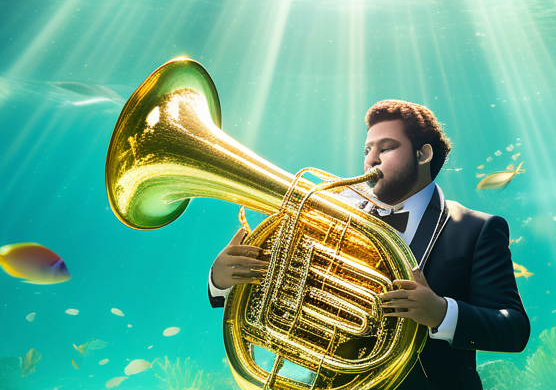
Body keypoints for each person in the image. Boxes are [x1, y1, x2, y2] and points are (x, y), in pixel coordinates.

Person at [208, 100, 530, 389]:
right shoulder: (332, 214)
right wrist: (222, 281)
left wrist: (441, 313)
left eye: (385, 148)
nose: (370, 160)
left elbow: (514, 329)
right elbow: (280, 290)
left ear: (423, 154)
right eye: (367, 150)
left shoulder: (477, 229)